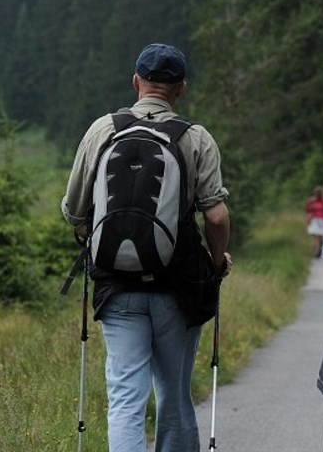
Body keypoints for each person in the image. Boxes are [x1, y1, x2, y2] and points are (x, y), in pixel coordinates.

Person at [61, 43, 232, 452]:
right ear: (181, 89)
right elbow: (217, 216)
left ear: (136, 82)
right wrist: (215, 261)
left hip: (117, 286)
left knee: (125, 399)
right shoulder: (196, 138)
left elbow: (73, 209)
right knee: (173, 396)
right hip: (179, 286)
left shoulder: (103, 130)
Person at [305, 186, 323, 258]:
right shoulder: (312, 201)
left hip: (320, 220)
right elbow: (308, 211)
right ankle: (318, 249)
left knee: (318, 236)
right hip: (316, 220)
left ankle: (318, 248)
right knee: (316, 235)